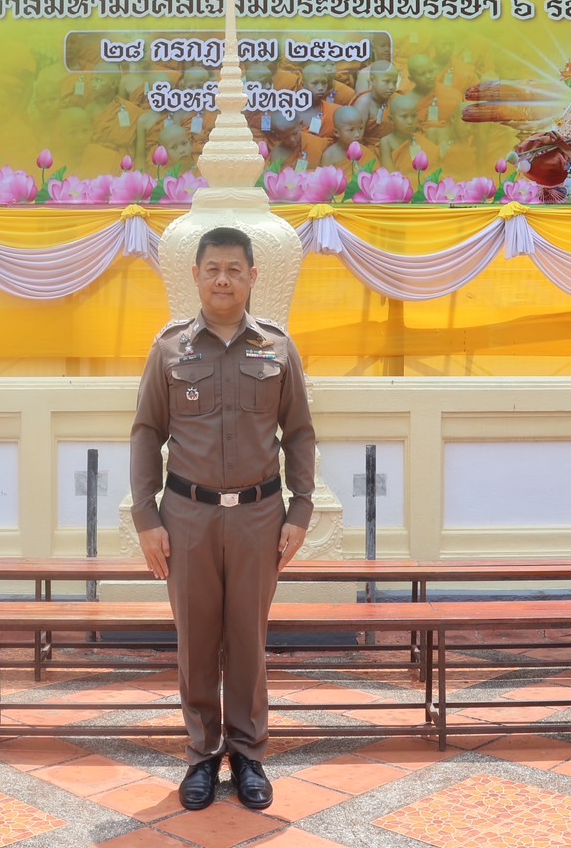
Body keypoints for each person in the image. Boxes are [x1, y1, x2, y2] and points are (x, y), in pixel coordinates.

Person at [130, 225, 315, 812]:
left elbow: (300, 433)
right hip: (188, 517)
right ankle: (203, 756)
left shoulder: (278, 349)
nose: (223, 280)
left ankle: (249, 754)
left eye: (235, 269)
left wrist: (301, 508)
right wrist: (146, 517)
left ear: (253, 276)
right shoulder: (170, 350)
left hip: (259, 516)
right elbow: (146, 433)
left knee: (248, 639)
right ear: (196, 276)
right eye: (213, 269)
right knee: (196, 639)